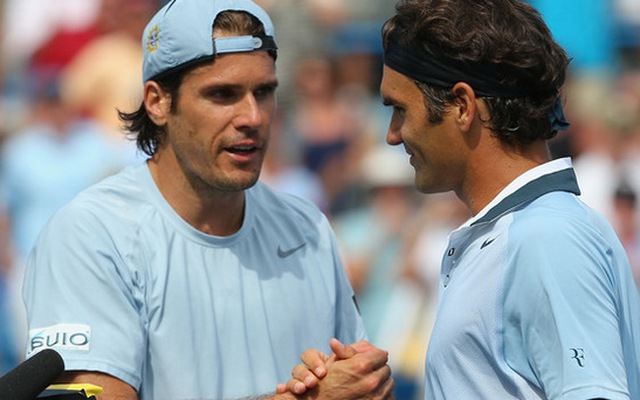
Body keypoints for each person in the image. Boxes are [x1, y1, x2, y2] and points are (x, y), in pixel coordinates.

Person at [21, 0, 394, 399]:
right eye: (223, 94)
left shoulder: (307, 228)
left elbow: (360, 385)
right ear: (157, 102)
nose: (252, 116)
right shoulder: (91, 234)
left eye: (264, 92)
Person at [283, 0, 640, 399]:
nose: (392, 134)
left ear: (463, 107)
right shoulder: (523, 232)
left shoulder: (547, 237)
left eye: (400, 109)